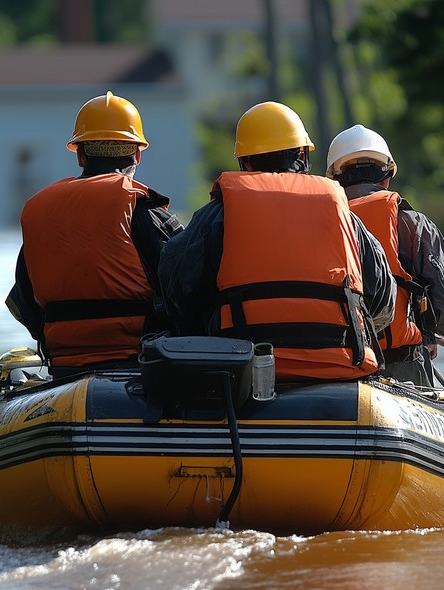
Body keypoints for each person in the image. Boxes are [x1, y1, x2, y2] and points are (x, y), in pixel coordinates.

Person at [158, 102, 396, 381]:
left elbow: (178, 291)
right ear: (302, 156)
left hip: (241, 365)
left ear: (245, 162)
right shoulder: (342, 213)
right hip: (338, 362)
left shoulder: (216, 217)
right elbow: (382, 299)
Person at [6, 91, 183, 372]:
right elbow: (184, 287)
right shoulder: (142, 211)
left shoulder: (42, 213)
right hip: (138, 363)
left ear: (80, 155)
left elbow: (24, 302)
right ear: (137, 154)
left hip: (64, 366)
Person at [325, 124, 444, 387]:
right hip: (403, 364)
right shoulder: (412, 224)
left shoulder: (321, 224)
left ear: (334, 181)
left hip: (338, 367)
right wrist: (428, 333)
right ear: (386, 178)